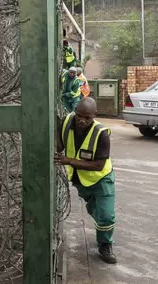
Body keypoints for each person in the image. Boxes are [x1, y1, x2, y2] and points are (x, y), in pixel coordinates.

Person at [55, 97, 117, 264]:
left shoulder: (101, 133)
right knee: (96, 211)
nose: (82, 120)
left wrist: (69, 161)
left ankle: (105, 245)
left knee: (106, 215)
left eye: (87, 117)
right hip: (80, 180)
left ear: (94, 115)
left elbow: (98, 165)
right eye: (79, 115)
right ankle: (102, 226)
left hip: (101, 178)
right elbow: (59, 146)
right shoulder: (68, 121)